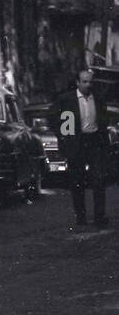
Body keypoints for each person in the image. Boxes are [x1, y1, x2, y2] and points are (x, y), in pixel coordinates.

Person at [54, 68, 109, 230]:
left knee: (98, 180)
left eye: (91, 82)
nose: (88, 85)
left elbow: (103, 122)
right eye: (84, 81)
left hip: (94, 142)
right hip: (77, 143)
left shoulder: (98, 99)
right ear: (78, 83)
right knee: (77, 181)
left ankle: (99, 216)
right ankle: (81, 216)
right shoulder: (68, 100)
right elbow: (60, 123)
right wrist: (65, 142)